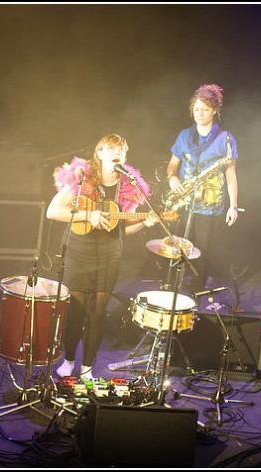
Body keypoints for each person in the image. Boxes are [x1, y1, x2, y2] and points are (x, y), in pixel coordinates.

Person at [47, 134, 158, 381]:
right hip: (78, 250)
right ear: (99, 154)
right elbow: (53, 211)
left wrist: (145, 223)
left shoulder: (129, 186)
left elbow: (123, 229)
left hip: (109, 255)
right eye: (110, 149)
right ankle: (69, 359)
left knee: (97, 314)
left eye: (121, 150)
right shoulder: (82, 176)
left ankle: (87, 368)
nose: (116, 152)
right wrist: (89, 216)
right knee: (76, 311)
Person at [165, 83, 239, 296]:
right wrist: (172, 178)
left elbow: (231, 174)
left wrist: (233, 207)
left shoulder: (225, 139)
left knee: (201, 249)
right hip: (184, 199)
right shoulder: (183, 136)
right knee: (176, 244)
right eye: (196, 109)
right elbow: (172, 165)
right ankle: (172, 285)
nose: (199, 114)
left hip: (209, 203)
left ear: (215, 110)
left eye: (205, 109)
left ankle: (196, 288)